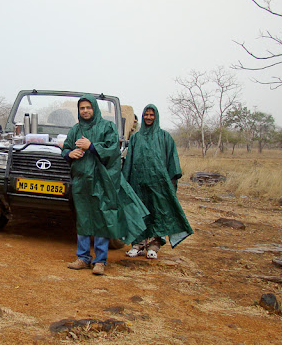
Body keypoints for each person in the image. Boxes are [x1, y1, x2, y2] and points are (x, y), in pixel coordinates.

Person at [62, 95, 148, 275]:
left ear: (95, 108)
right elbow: (66, 148)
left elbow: (113, 152)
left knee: (102, 218)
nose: (85, 111)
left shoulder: (107, 127)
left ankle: (100, 261)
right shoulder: (75, 129)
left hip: (102, 182)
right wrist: (70, 154)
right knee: (83, 219)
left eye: (88, 107)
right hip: (81, 181)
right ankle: (83, 258)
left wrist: (91, 146)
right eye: (82, 108)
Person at [122, 104, 193, 258]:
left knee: (158, 214)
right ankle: (138, 245)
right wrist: (126, 182)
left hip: (159, 186)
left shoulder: (165, 137)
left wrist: (171, 185)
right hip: (138, 185)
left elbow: (172, 162)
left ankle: (154, 246)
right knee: (140, 213)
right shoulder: (136, 138)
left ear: (156, 117)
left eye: (151, 115)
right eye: (146, 114)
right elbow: (129, 162)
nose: (148, 117)